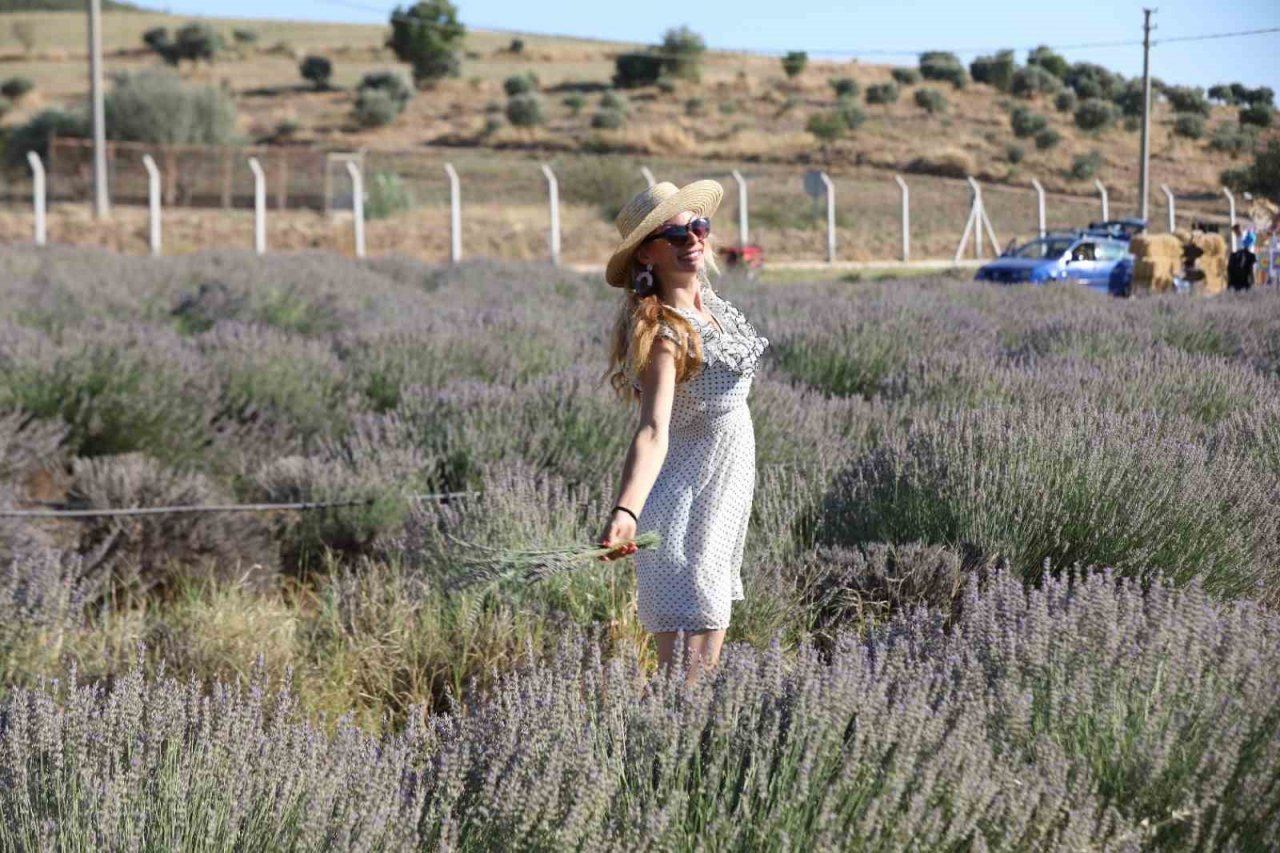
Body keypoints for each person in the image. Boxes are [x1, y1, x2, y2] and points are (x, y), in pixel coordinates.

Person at [597, 180, 770, 684]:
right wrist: (626, 510)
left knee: (695, 684)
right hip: (683, 518)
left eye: (699, 226)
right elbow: (653, 431)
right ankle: (660, 760)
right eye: (675, 234)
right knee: (688, 688)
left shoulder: (714, 311)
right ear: (647, 254)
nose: (693, 239)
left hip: (718, 511)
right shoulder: (665, 332)